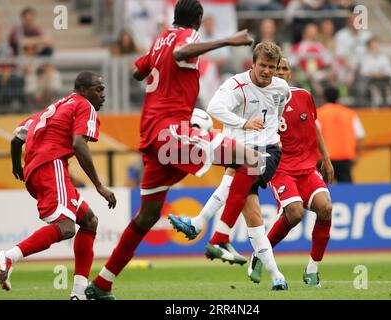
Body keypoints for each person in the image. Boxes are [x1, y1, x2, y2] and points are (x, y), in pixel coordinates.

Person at [84, 0, 268, 300]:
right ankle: (220, 237)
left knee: (147, 215)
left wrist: (162, 70)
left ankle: (102, 283)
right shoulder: (188, 37)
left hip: (153, 136)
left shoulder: (159, 40)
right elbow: (181, 52)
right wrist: (227, 40)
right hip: (173, 132)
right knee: (251, 159)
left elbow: (136, 72)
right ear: (197, 20)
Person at [169, 41, 290, 289]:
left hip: (268, 150)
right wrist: (243, 124)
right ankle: (278, 277)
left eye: (271, 67)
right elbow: (214, 107)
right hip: (242, 148)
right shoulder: (236, 85)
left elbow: (277, 112)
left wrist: (265, 132)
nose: (267, 71)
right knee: (254, 216)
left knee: (239, 177)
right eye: (262, 66)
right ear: (253, 63)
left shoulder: (281, 88)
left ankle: (205, 226)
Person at [0, 72, 117, 300]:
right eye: (98, 90)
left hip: (37, 169)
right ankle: (9, 256)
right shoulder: (84, 105)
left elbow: (16, 139)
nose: (103, 95)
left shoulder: (57, 106)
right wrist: (100, 186)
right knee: (66, 228)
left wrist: (17, 166)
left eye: (103, 90)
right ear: (83, 90)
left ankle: (79, 293)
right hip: (51, 166)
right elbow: (79, 144)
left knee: (89, 221)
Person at [247, 57, 333, 288]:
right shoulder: (258, 99)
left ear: (289, 73)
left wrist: (325, 157)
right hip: (280, 166)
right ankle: (259, 253)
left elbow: (314, 125)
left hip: (306, 166)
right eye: (277, 68)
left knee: (325, 207)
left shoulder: (304, 96)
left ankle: (312, 270)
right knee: (295, 214)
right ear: (271, 72)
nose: (281, 72)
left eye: (285, 68)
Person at [317, 86, 365, 183]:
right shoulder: (350, 114)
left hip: (324, 159)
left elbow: (313, 135)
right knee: (348, 191)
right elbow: (360, 135)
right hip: (345, 158)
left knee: (321, 190)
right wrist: (357, 155)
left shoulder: (318, 113)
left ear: (324, 98)